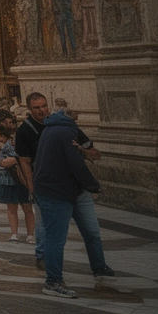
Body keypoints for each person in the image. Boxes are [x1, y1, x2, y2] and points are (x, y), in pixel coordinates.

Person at [14, 92, 110, 277]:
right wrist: (32, 187)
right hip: (50, 186)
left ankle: (99, 266)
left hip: (75, 188)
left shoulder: (67, 128)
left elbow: (93, 152)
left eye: (44, 106)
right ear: (30, 109)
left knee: (91, 231)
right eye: (37, 108)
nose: (42, 110)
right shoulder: (25, 130)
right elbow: (24, 161)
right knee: (48, 230)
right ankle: (46, 263)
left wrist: (82, 151)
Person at [34, 108, 106, 298]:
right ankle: (52, 282)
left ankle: (99, 266)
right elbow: (76, 164)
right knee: (55, 239)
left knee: (90, 231)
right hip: (56, 191)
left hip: (67, 189)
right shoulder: (66, 132)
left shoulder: (51, 129)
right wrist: (93, 186)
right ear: (71, 119)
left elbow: (88, 152)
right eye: (75, 117)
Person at [0, 124, 33, 243]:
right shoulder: (7, 146)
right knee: (11, 207)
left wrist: (15, 160)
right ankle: (14, 233)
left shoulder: (28, 146)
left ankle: (30, 234)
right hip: (8, 179)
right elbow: (2, 162)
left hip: (24, 180)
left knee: (27, 207)